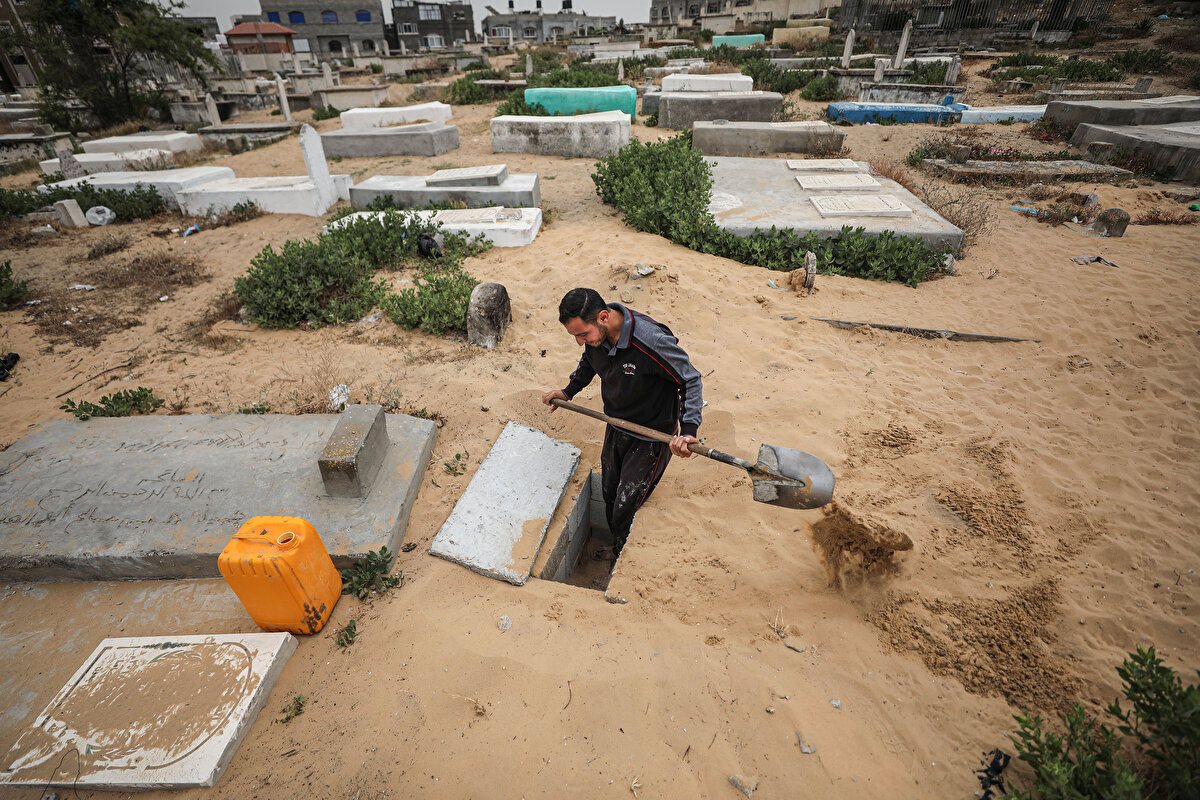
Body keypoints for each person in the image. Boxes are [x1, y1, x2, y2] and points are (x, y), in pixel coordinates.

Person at [542, 288, 703, 566]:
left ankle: (620, 554)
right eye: (575, 336)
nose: (580, 342)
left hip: (652, 433)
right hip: (617, 423)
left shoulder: (650, 341)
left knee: (626, 503)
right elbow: (590, 361)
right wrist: (569, 391)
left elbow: (690, 379)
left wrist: (688, 430)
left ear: (603, 317)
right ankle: (617, 542)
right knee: (609, 490)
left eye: (583, 334)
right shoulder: (596, 340)